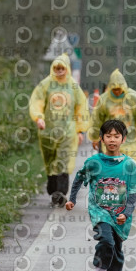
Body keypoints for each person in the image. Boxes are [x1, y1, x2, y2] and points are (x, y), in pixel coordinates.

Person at [65, 119, 136, 271]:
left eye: (116, 136)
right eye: (108, 136)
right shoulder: (94, 163)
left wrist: (126, 213)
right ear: (101, 139)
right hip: (99, 212)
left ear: (123, 139)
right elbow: (79, 178)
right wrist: (72, 199)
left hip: (120, 217)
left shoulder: (130, 165)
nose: (112, 140)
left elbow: (134, 193)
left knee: (117, 252)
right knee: (106, 242)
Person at [29, 53, 89, 207]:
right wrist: (38, 117)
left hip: (67, 131)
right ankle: (53, 191)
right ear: (53, 68)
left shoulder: (73, 86)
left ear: (67, 69)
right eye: (57, 68)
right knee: (50, 162)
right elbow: (37, 101)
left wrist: (80, 130)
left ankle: (60, 193)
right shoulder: (45, 85)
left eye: (62, 68)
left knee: (62, 161)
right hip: (47, 131)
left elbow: (81, 108)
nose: (60, 71)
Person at [88, 69, 136, 167]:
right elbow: (97, 120)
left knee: (130, 168)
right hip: (111, 141)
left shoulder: (133, 97)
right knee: (113, 170)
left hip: (131, 139)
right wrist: (94, 137)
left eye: (119, 89)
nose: (117, 92)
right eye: (114, 89)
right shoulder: (104, 99)